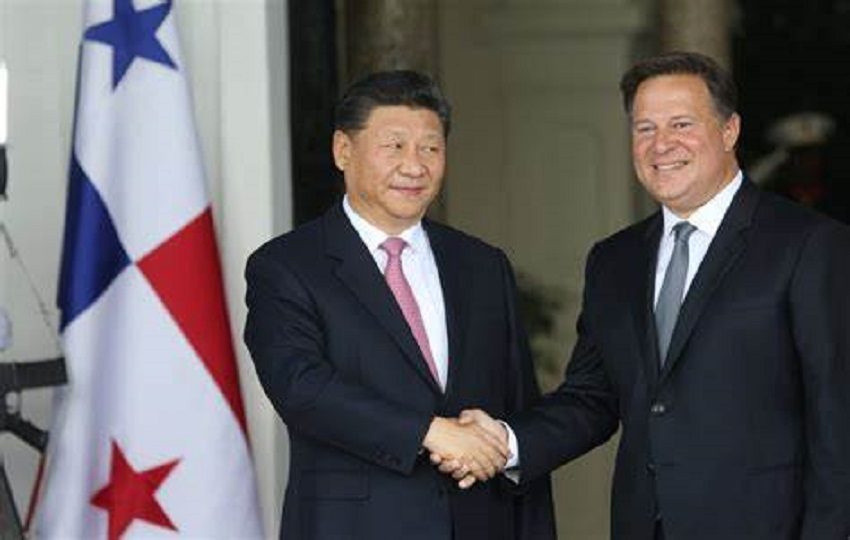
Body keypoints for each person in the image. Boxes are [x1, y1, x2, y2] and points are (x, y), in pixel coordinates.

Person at [455, 51, 850, 539]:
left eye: (682, 124)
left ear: (730, 131)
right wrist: (507, 441)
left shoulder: (807, 244)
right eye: (644, 129)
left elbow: (837, 416)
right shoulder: (615, 260)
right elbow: (591, 398)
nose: (662, 145)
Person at [243, 70, 555, 540]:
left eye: (431, 148)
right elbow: (302, 388)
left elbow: (518, 406)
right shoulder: (287, 265)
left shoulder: (482, 265)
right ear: (342, 150)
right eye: (394, 146)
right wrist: (431, 431)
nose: (415, 165)